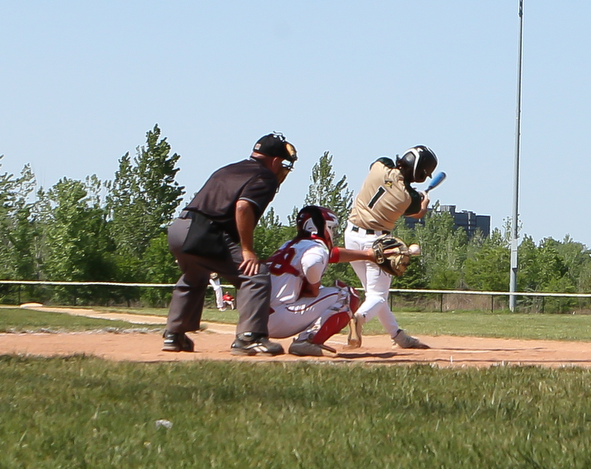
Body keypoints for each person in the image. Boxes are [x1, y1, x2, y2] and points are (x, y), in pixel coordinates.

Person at [163, 133, 297, 356]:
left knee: (194, 275)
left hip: (178, 228)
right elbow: (243, 207)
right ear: (274, 160)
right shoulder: (265, 175)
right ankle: (250, 338)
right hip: (203, 232)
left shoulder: (229, 168)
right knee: (255, 274)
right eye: (282, 163)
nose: (282, 169)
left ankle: (173, 335)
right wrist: (247, 250)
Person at [345, 145, 436, 350]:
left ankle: (398, 336)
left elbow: (389, 182)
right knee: (377, 296)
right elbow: (418, 213)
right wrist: (424, 201)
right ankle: (359, 319)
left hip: (351, 235)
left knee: (375, 294)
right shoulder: (408, 198)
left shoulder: (380, 164)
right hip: (377, 243)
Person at [265, 206, 375, 356]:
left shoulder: (290, 245)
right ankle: (307, 341)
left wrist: (368, 254)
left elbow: (333, 254)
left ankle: (248, 337)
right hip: (279, 319)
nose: (333, 233)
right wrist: (314, 287)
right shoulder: (316, 247)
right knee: (346, 295)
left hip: (257, 318)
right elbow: (312, 262)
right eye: (331, 228)